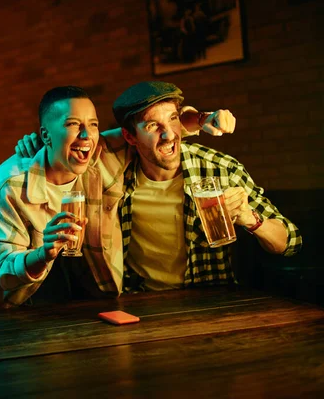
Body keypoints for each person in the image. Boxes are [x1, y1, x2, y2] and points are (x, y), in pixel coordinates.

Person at [0, 86, 233, 309]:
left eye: (92, 125)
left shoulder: (99, 154)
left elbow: (151, 131)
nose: (86, 135)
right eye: (72, 124)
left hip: (88, 294)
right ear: (45, 135)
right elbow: (3, 270)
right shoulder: (11, 182)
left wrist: (203, 119)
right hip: (5, 300)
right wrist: (44, 253)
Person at [105, 81, 302, 291]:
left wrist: (250, 219)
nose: (169, 135)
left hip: (212, 299)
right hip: (141, 301)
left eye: (173, 119)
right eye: (152, 126)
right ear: (129, 136)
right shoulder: (117, 179)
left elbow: (291, 242)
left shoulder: (219, 168)